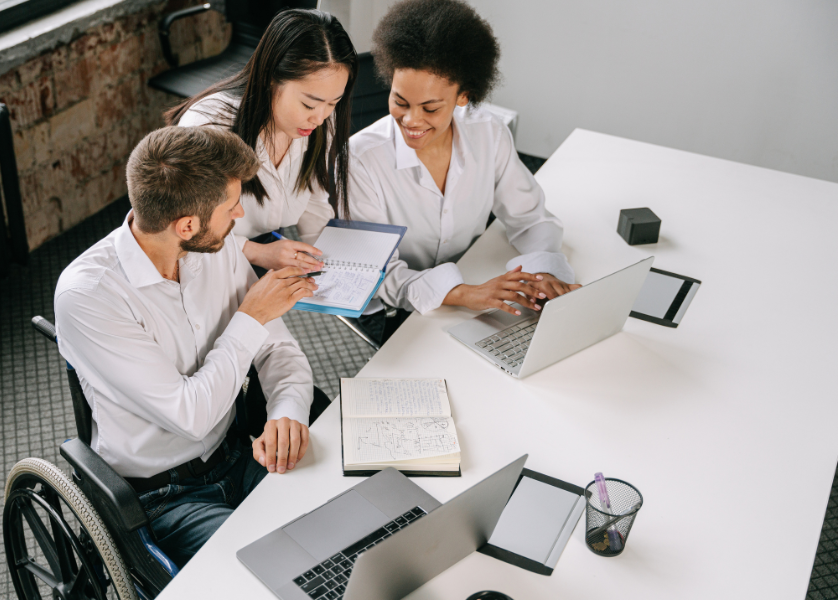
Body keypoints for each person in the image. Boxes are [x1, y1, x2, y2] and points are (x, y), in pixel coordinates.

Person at [54, 126, 321, 566]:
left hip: (240, 452)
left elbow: (278, 350)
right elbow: (191, 417)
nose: (239, 214)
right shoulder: (87, 296)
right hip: (162, 495)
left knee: (331, 531)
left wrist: (286, 413)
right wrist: (250, 316)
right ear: (188, 225)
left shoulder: (219, 249)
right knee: (268, 573)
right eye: (231, 205)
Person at [348, 0, 581, 344]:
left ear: (463, 97)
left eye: (430, 108)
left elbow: (530, 219)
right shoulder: (360, 160)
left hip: (479, 282)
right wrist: (460, 293)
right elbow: (374, 273)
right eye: (400, 101)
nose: (411, 120)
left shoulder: (488, 133)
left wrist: (542, 273)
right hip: (405, 309)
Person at [164, 8, 357, 275]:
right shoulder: (208, 128)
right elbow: (184, 232)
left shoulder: (322, 123)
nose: (320, 118)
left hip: (262, 251)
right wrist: (257, 253)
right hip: (197, 260)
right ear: (270, 78)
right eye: (308, 103)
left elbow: (314, 203)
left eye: (333, 103)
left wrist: (328, 263)